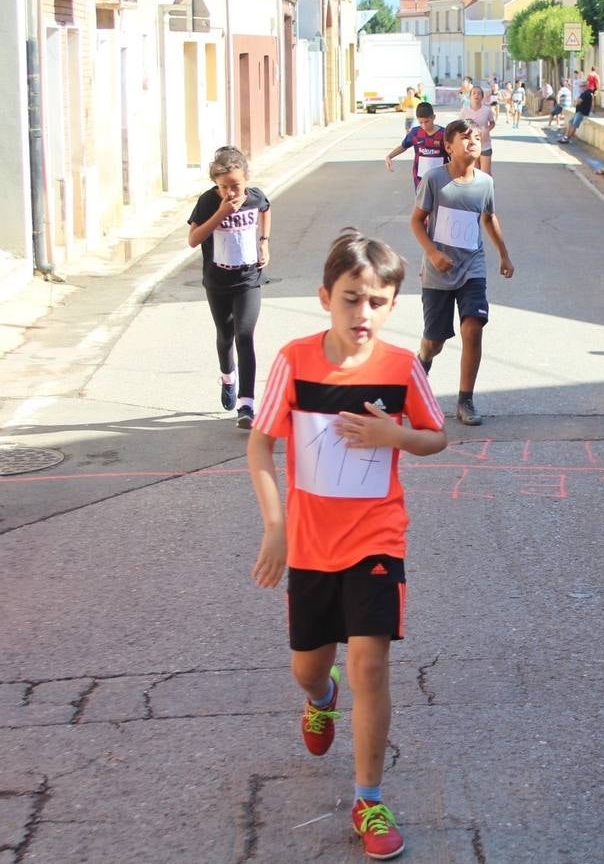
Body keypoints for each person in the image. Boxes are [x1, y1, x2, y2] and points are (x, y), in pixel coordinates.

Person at [246, 228, 449, 861]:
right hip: (309, 545)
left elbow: (435, 436)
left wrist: (397, 435)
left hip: (377, 539)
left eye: (377, 302)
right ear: (325, 298)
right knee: (311, 665)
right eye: (351, 299)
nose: (363, 314)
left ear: (393, 305)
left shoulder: (400, 367)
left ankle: (368, 796)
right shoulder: (295, 361)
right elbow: (260, 444)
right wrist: (276, 527)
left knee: (371, 663)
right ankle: (319, 698)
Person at [410, 119, 515, 426]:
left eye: (477, 137)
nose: (472, 142)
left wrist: (504, 255)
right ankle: (423, 360)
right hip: (438, 270)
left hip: (472, 266)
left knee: (473, 327)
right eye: (465, 138)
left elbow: (489, 217)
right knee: (435, 340)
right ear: (448, 146)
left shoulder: (485, 182)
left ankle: (465, 399)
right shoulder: (434, 180)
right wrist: (432, 252)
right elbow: (417, 221)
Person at [187, 145, 271, 429]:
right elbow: (194, 238)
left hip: (248, 279)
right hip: (218, 281)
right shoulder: (209, 202)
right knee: (225, 336)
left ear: (246, 178)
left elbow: (266, 208)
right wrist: (221, 214)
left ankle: (246, 404)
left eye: (235, 185)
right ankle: (228, 377)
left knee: (244, 335)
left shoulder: (255, 196)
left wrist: (264, 242)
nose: (230, 193)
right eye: (223, 187)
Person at [384, 102, 446, 189]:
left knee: (440, 201)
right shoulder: (415, 133)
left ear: (433, 117)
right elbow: (403, 146)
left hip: (440, 177)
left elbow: (454, 153)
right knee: (422, 201)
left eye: (427, 121)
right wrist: (389, 156)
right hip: (420, 177)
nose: (424, 125)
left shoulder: (444, 134)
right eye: (421, 122)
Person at [458, 86, 497, 175]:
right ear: (470, 96)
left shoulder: (487, 110)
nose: (476, 95)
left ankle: (487, 189)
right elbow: (459, 125)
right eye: (474, 93)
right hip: (472, 145)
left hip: (485, 144)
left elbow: (492, 123)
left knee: (486, 174)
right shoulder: (464, 111)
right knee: (475, 173)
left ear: (482, 97)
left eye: (479, 93)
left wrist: (487, 130)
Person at [557, 80, 594, 144]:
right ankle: (566, 137)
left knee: (574, 125)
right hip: (580, 111)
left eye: (582, 86)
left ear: (585, 86)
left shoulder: (585, 93)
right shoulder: (588, 93)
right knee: (570, 122)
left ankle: (567, 139)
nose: (580, 88)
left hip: (581, 112)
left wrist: (576, 101)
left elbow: (578, 101)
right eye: (580, 86)